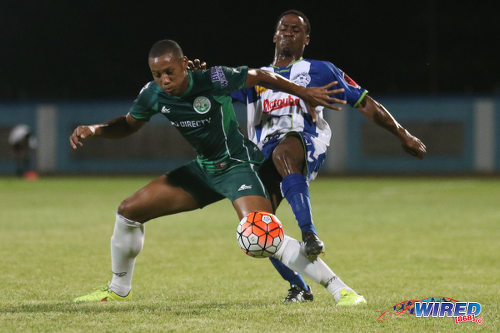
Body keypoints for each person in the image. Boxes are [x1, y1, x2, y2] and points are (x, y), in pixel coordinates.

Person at [69, 39, 366, 306]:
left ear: (184, 64)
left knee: (262, 234)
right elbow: (128, 124)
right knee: (128, 211)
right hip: (205, 169)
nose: (164, 80)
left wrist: (304, 93)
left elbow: (262, 76)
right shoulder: (153, 95)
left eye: (169, 72)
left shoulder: (214, 78)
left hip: (239, 165)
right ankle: (118, 288)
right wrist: (95, 129)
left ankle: (340, 288)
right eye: (157, 75)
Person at [231, 9, 427, 302]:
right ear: (274, 35)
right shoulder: (253, 78)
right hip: (263, 154)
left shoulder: (320, 70)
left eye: (296, 30)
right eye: (283, 28)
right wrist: (191, 78)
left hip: (304, 142)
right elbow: (210, 91)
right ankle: (300, 287)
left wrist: (402, 134)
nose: (288, 32)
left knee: (286, 149)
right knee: (260, 229)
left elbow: (364, 103)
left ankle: (309, 234)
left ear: (306, 39)